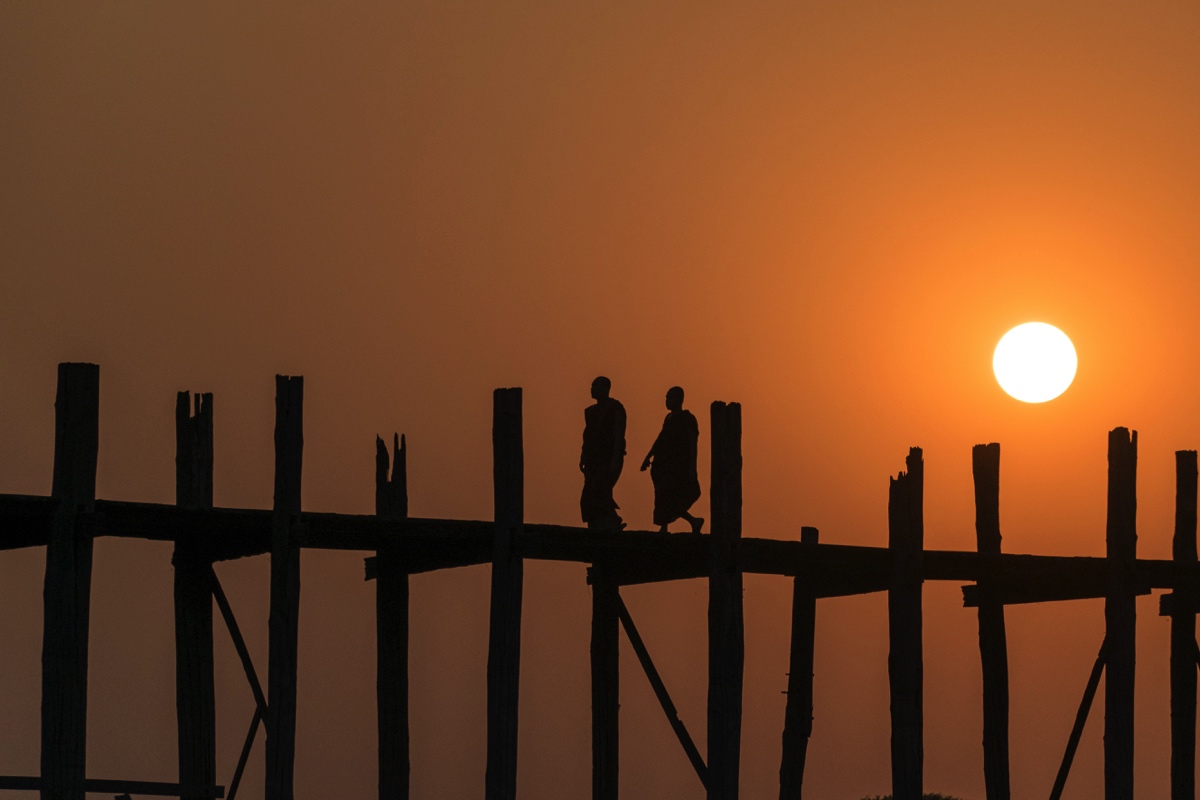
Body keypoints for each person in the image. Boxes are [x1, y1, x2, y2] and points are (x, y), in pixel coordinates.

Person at [640, 386, 703, 533]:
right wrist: (648, 456)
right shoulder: (668, 418)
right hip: (662, 464)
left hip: (677, 465)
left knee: (672, 497)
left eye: (671, 398)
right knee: (662, 497)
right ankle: (667, 526)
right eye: (666, 398)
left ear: (679, 400)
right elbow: (660, 439)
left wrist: (692, 468)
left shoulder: (688, 419)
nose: (667, 401)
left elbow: (693, 443)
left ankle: (693, 521)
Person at [580, 376, 627, 529]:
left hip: (608, 458)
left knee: (598, 489)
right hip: (593, 459)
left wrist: (615, 460)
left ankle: (612, 520)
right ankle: (596, 526)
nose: (592, 388)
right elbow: (587, 436)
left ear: (606, 389)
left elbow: (619, 436)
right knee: (588, 496)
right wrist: (583, 457)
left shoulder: (615, 408)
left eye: (596, 386)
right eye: (592, 385)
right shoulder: (591, 411)